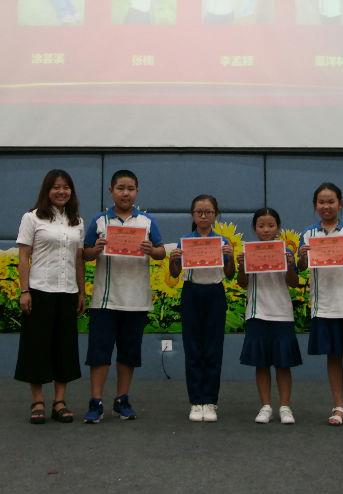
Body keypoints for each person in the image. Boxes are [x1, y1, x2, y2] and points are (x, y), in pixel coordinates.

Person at [81, 170, 166, 423]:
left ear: (137, 191)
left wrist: (152, 250)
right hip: (105, 300)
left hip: (136, 301)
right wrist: (95, 250)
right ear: (111, 191)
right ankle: (95, 401)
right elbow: (85, 253)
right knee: (99, 354)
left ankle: (122, 399)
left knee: (128, 354)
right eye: (120, 188)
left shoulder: (147, 222)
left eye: (130, 189)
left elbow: (161, 252)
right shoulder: (99, 220)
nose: (125, 193)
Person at [296, 182, 343, 427]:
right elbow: (300, 267)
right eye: (321, 202)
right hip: (325, 306)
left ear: (340, 204)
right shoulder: (308, 234)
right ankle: (338, 405)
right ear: (315, 206)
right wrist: (302, 256)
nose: (326, 206)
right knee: (333, 356)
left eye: (331, 201)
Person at [14, 169, 86, 424]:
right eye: (56, 187)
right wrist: (24, 291)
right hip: (39, 291)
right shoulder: (32, 218)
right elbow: (24, 257)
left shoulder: (77, 221)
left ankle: (59, 402)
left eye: (66, 187)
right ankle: (37, 401)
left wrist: (82, 291)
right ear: (47, 190)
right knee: (37, 347)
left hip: (68, 292)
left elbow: (78, 259)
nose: (61, 191)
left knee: (64, 348)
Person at [168, 194, 235, 422]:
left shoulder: (223, 241)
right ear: (192, 215)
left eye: (208, 212)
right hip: (192, 293)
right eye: (199, 212)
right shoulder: (185, 240)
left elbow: (230, 274)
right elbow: (175, 273)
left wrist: (230, 257)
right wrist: (174, 259)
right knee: (193, 347)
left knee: (213, 348)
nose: (204, 216)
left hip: (215, 293)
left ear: (216, 215)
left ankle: (210, 401)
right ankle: (196, 401)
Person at [236, 207, 301, 425]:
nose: (266, 230)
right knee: (261, 363)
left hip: (282, 313)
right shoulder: (249, 251)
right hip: (257, 313)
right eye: (261, 225)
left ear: (278, 228)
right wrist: (242, 266)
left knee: (283, 363)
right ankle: (265, 406)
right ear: (254, 228)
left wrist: (290, 265)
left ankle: (285, 407)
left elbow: (294, 282)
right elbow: (242, 283)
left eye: (271, 225)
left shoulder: (285, 251)